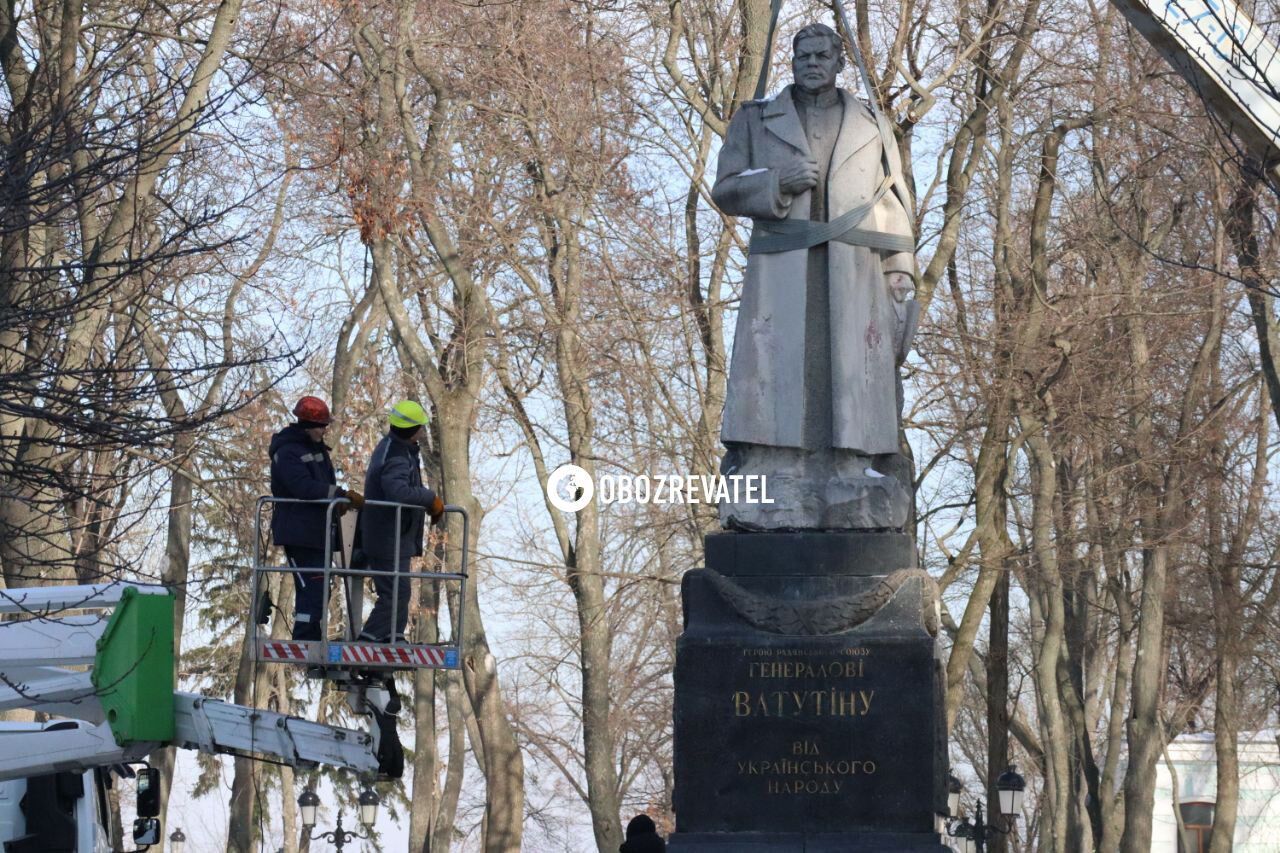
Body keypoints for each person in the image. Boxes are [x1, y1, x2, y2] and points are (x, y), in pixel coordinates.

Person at [710, 22, 919, 530]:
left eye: (821, 54)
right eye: (802, 55)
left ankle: (851, 469)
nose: (811, 63)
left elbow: (891, 200)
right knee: (777, 373)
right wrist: (776, 182)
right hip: (783, 272)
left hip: (853, 273)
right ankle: (775, 470)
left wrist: (900, 273)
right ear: (793, 60)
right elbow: (725, 188)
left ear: (839, 61)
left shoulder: (871, 123)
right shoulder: (757, 121)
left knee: (852, 376)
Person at [269, 395, 364, 641]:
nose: (325, 431)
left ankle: (312, 635)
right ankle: (305, 638)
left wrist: (336, 502)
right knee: (312, 587)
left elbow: (321, 484)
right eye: (322, 426)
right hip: (300, 532)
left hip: (316, 531)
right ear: (310, 425)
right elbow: (303, 487)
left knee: (319, 587)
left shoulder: (314, 449)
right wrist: (339, 495)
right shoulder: (288, 452)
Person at [358, 400, 444, 643]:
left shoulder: (395, 448)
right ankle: (370, 638)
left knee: (398, 591)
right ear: (415, 429)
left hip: (392, 535)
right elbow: (398, 491)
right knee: (395, 591)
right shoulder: (396, 454)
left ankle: (392, 637)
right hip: (387, 536)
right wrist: (429, 498)